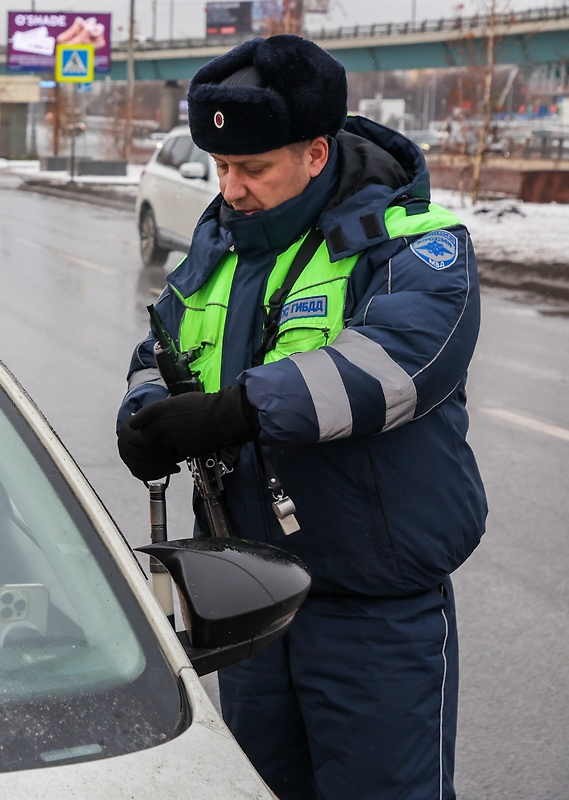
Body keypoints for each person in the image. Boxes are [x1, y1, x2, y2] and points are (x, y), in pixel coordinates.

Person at [116, 35, 486, 800]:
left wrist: (237, 410)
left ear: (316, 153)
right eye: (221, 167)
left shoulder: (416, 245)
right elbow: (162, 347)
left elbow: (390, 369)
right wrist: (146, 410)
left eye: (252, 168)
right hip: (250, 599)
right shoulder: (222, 247)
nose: (232, 189)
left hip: (370, 608)